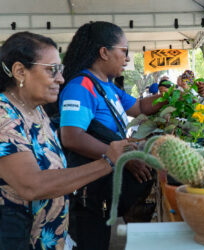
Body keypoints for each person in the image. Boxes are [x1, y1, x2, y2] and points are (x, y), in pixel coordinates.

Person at [0, 32, 132, 250]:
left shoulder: (36, 111)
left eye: (60, 70)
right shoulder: (5, 118)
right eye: (52, 70)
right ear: (20, 71)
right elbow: (31, 185)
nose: (61, 79)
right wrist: (107, 162)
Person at [59, 21, 166, 250]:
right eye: (124, 51)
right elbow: (71, 136)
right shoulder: (81, 86)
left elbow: (138, 107)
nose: (127, 58)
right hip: (88, 192)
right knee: (91, 240)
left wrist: (172, 97)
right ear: (104, 52)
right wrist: (122, 157)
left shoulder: (107, 85)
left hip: (103, 187)